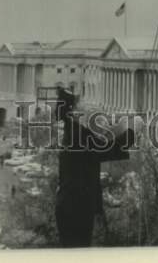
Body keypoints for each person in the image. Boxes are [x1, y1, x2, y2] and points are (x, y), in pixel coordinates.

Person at [53, 86, 130, 248]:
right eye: (81, 103)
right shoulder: (78, 133)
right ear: (74, 110)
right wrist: (130, 133)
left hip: (71, 205)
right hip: (77, 208)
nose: (88, 106)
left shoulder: (74, 130)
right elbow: (106, 149)